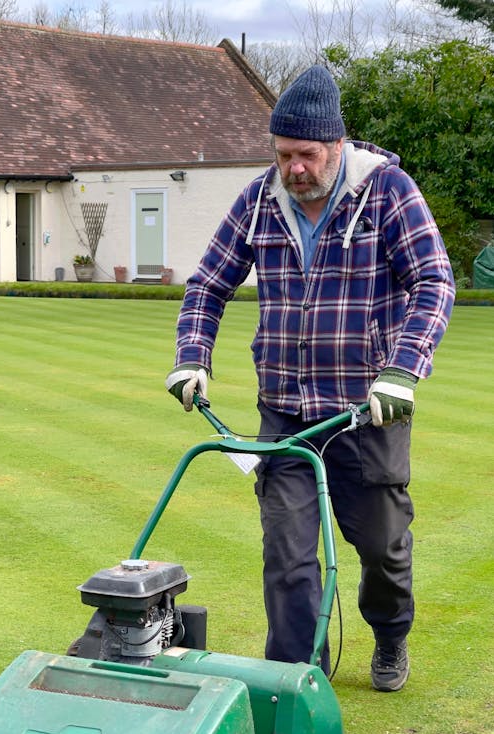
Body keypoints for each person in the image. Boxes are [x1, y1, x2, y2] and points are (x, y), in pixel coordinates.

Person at [166, 65, 454, 692]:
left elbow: (434, 282)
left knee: (382, 546)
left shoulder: (387, 192)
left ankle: (390, 634)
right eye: (282, 154)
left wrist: (402, 371)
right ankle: (299, 684)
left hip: (364, 412)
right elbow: (209, 283)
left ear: (337, 146)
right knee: (288, 557)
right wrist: (193, 356)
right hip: (287, 413)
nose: (293, 169)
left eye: (306, 155)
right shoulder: (260, 200)